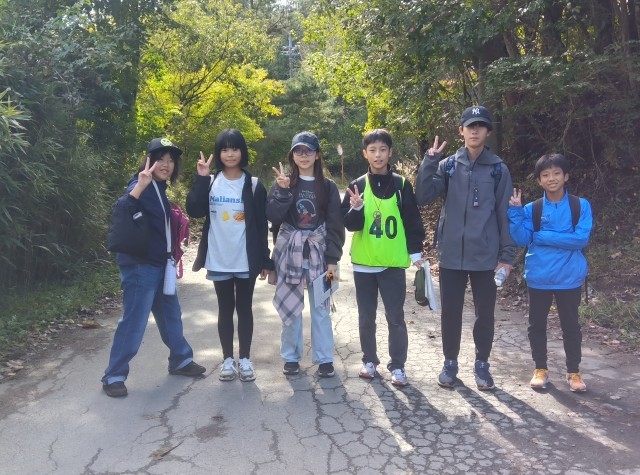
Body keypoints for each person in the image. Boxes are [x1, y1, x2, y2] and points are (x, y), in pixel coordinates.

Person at [415, 106, 515, 390]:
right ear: (461, 131)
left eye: (480, 126)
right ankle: (450, 363)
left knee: (485, 314)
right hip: (451, 254)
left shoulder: (498, 169)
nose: (475, 131)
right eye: (470, 126)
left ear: (488, 132)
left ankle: (482, 364)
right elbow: (423, 196)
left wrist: (506, 256)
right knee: (451, 312)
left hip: (485, 255)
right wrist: (429, 162)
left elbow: (504, 214)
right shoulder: (448, 165)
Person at [102, 138, 206, 398]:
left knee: (171, 314)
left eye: (171, 160)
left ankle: (180, 359)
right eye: (161, 159)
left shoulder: (159, 188)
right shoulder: (142, 184)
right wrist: (139, 186)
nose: (166, 165)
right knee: (135, 321)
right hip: (140, 266)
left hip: (160, 264)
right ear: (149, 160)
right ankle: (114, 375)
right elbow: (121, 208)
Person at [186, 129, 272, 382]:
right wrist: (201, 178)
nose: (230, 154)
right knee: (225, 309)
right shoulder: (211, 182)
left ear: (242, 152)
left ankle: (244, 359)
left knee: (245, 309)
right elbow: (194, 210)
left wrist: (265, 260)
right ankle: (227, 360)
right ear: (219, 153)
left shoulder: (254, 185)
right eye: (224, 149)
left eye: (235, 148)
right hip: (219, 257)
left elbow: (261, 225)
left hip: (245, 258)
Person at [342, 129, 425, 387]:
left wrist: (416, 252)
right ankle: (369, 360)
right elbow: (349, 225)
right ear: (365, 154)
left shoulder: (402, 185)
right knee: (366, 317)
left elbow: (412, 220)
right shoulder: (357, 185)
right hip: (364, 264)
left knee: (395, 317)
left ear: (390, 152)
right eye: (372, 150)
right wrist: (356, 208)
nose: (378, 155)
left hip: (392, 264)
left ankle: (398, 365)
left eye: (382, 150)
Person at [508, 153, 592, 392]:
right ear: (539, 180)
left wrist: (542, 236)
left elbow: (580, 240)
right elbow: (522, 239)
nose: (551, 178)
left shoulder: (580, 206)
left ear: (566, 176)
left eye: (556, 173)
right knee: (536, 325)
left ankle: (574, 372)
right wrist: (515, 213)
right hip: (539, 277)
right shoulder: (532, 209)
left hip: (569, 277)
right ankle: (540, 369)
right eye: (545, 175)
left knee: (571, 326)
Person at [267, 131, 345, 378]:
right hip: (290, 255)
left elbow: (335, 224)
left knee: (322, 308)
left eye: (308, 150)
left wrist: (333, 261)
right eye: (298, 151)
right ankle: (290, 358)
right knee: (291, 308)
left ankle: (325, 359)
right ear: (292, 155)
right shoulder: (284, 183)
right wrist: (282, 192)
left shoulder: (328, 186)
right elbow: (273, 217)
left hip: (322, 256)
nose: (303, 155)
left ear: (317, 155)